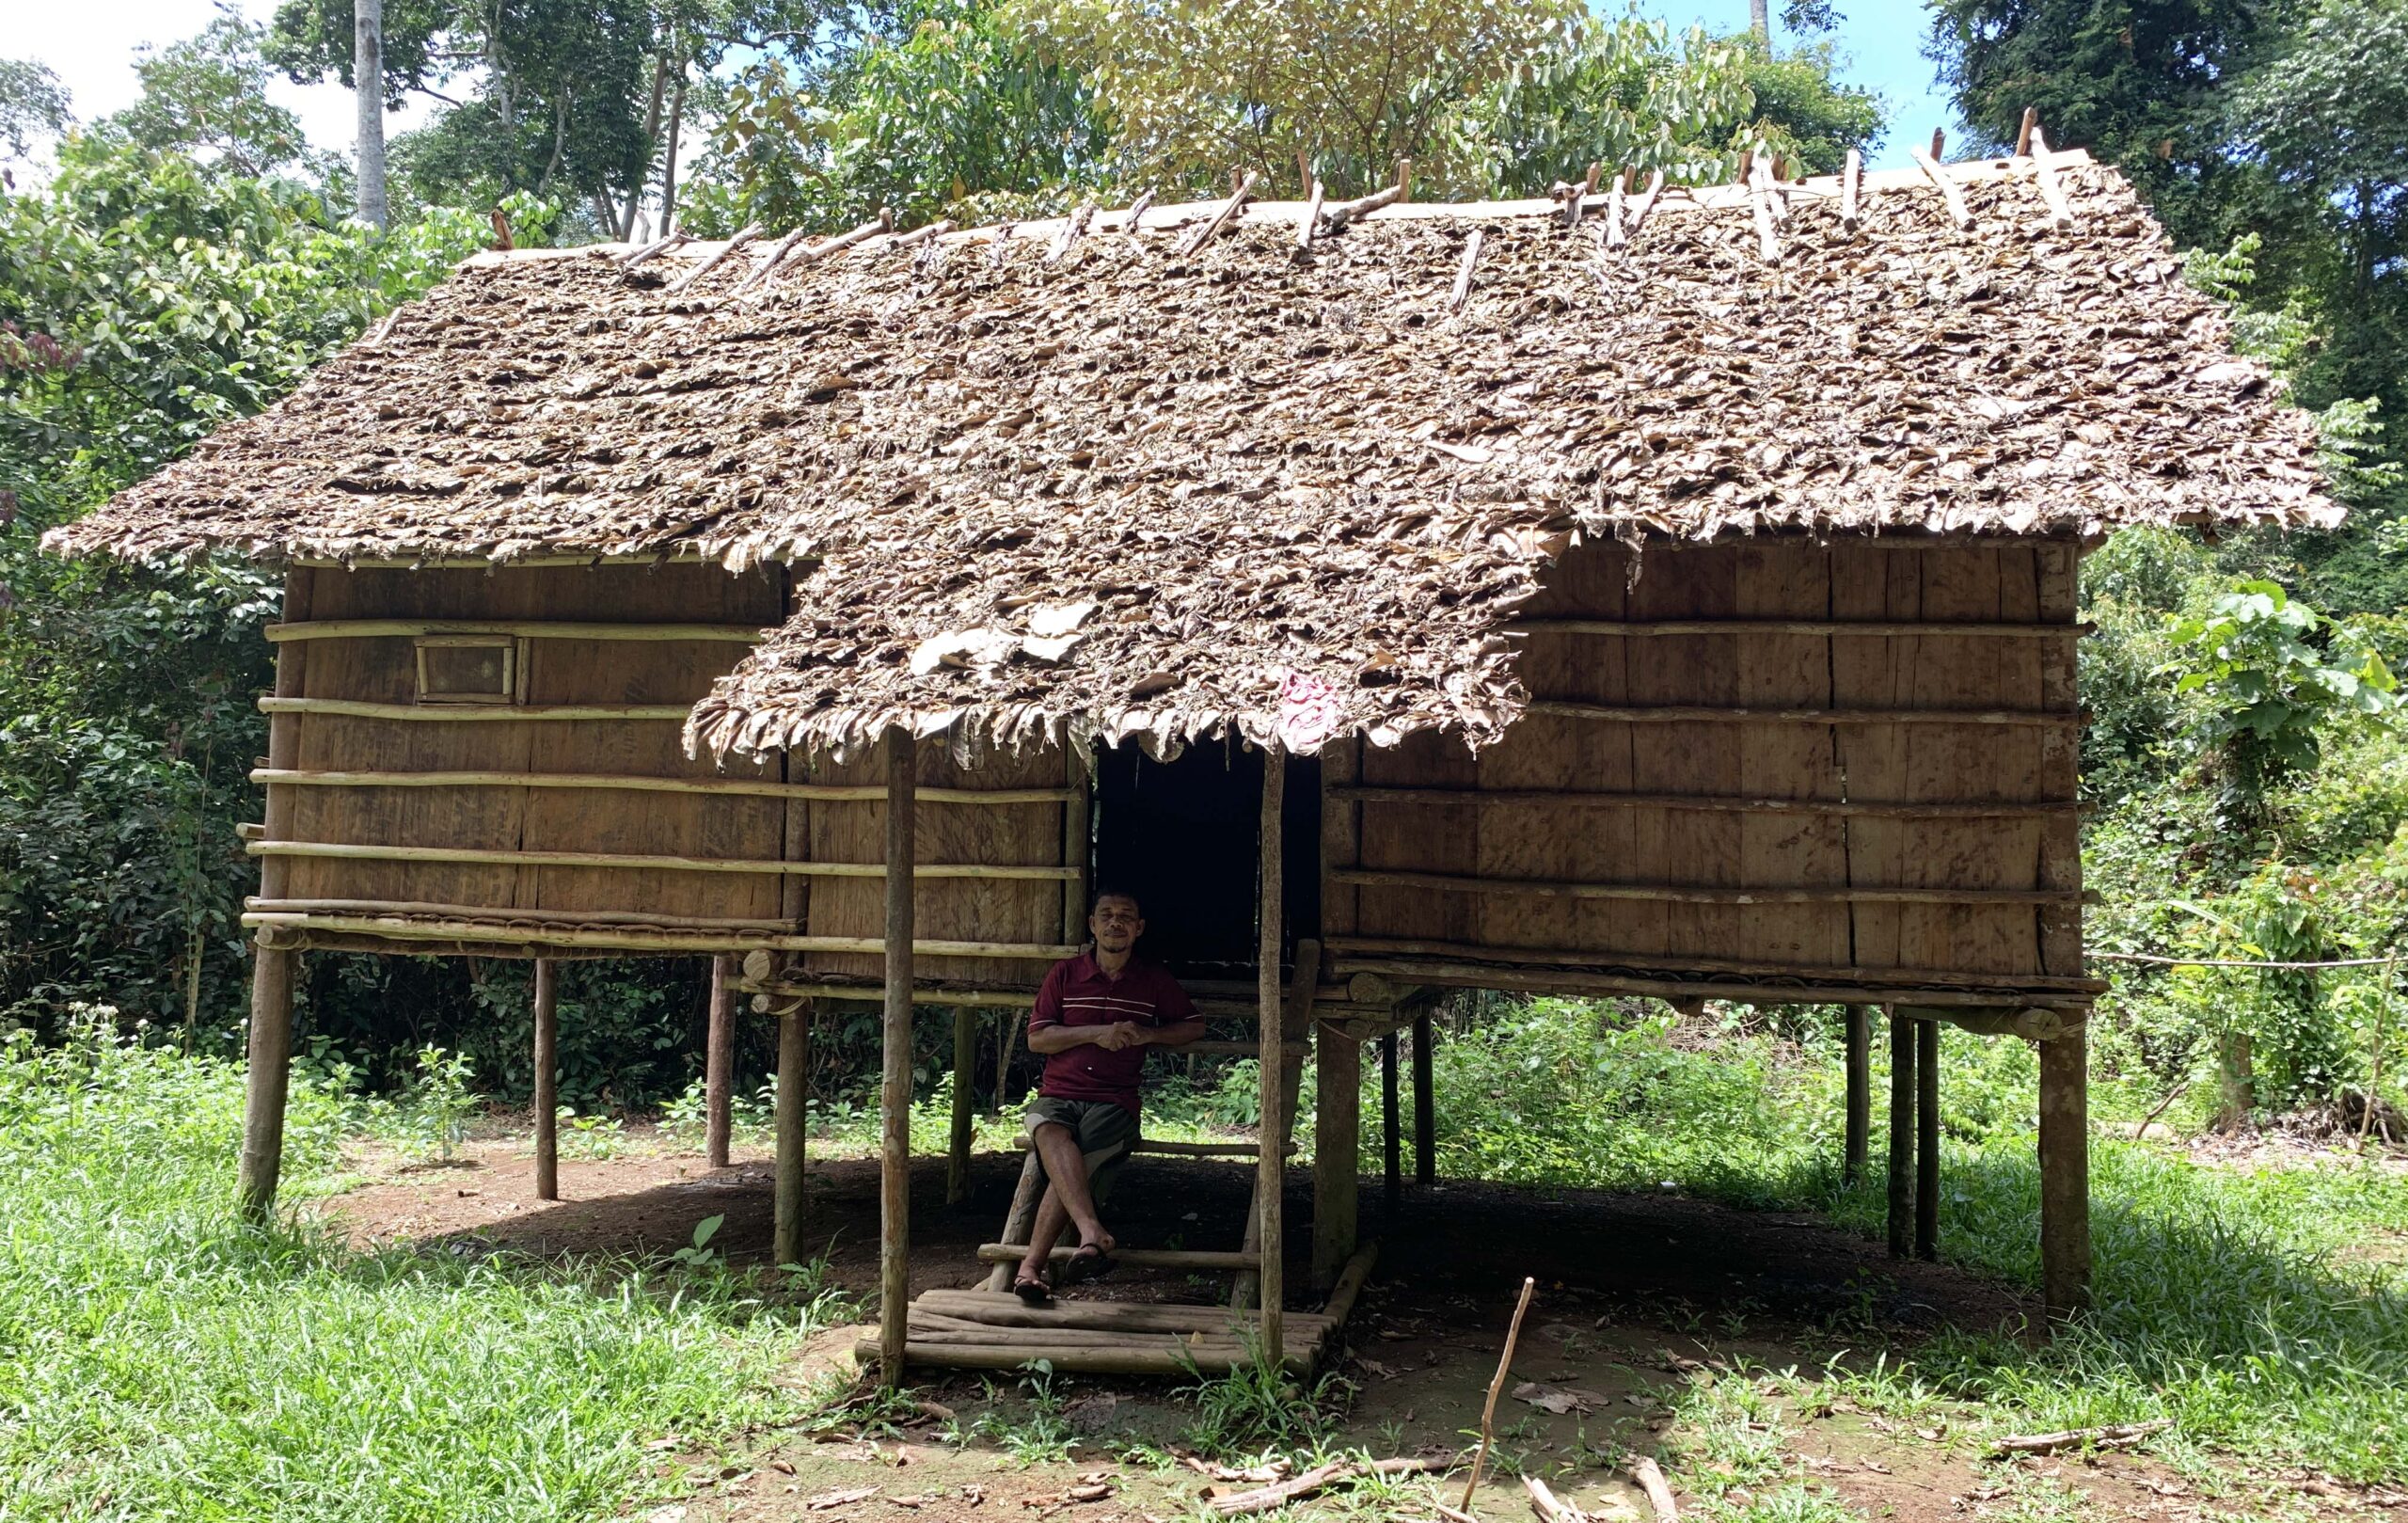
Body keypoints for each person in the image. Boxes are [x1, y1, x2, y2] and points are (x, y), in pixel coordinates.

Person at [1011, 887, 1205, 1305]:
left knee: (1070, 1161)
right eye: (1107, 915)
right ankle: (1089, 1234)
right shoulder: (1065, 974)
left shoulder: (1152, 978)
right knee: (1048, 1129)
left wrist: (1148, 1033)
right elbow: (1038, 1039)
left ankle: (1031, 1266)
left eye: (1125, 916)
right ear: (1093, 925)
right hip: (1059, 1093)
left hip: (1114, 1101)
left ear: (1139, 929)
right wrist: (1097, 1033)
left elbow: (1193, 1026)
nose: (1115, 922)